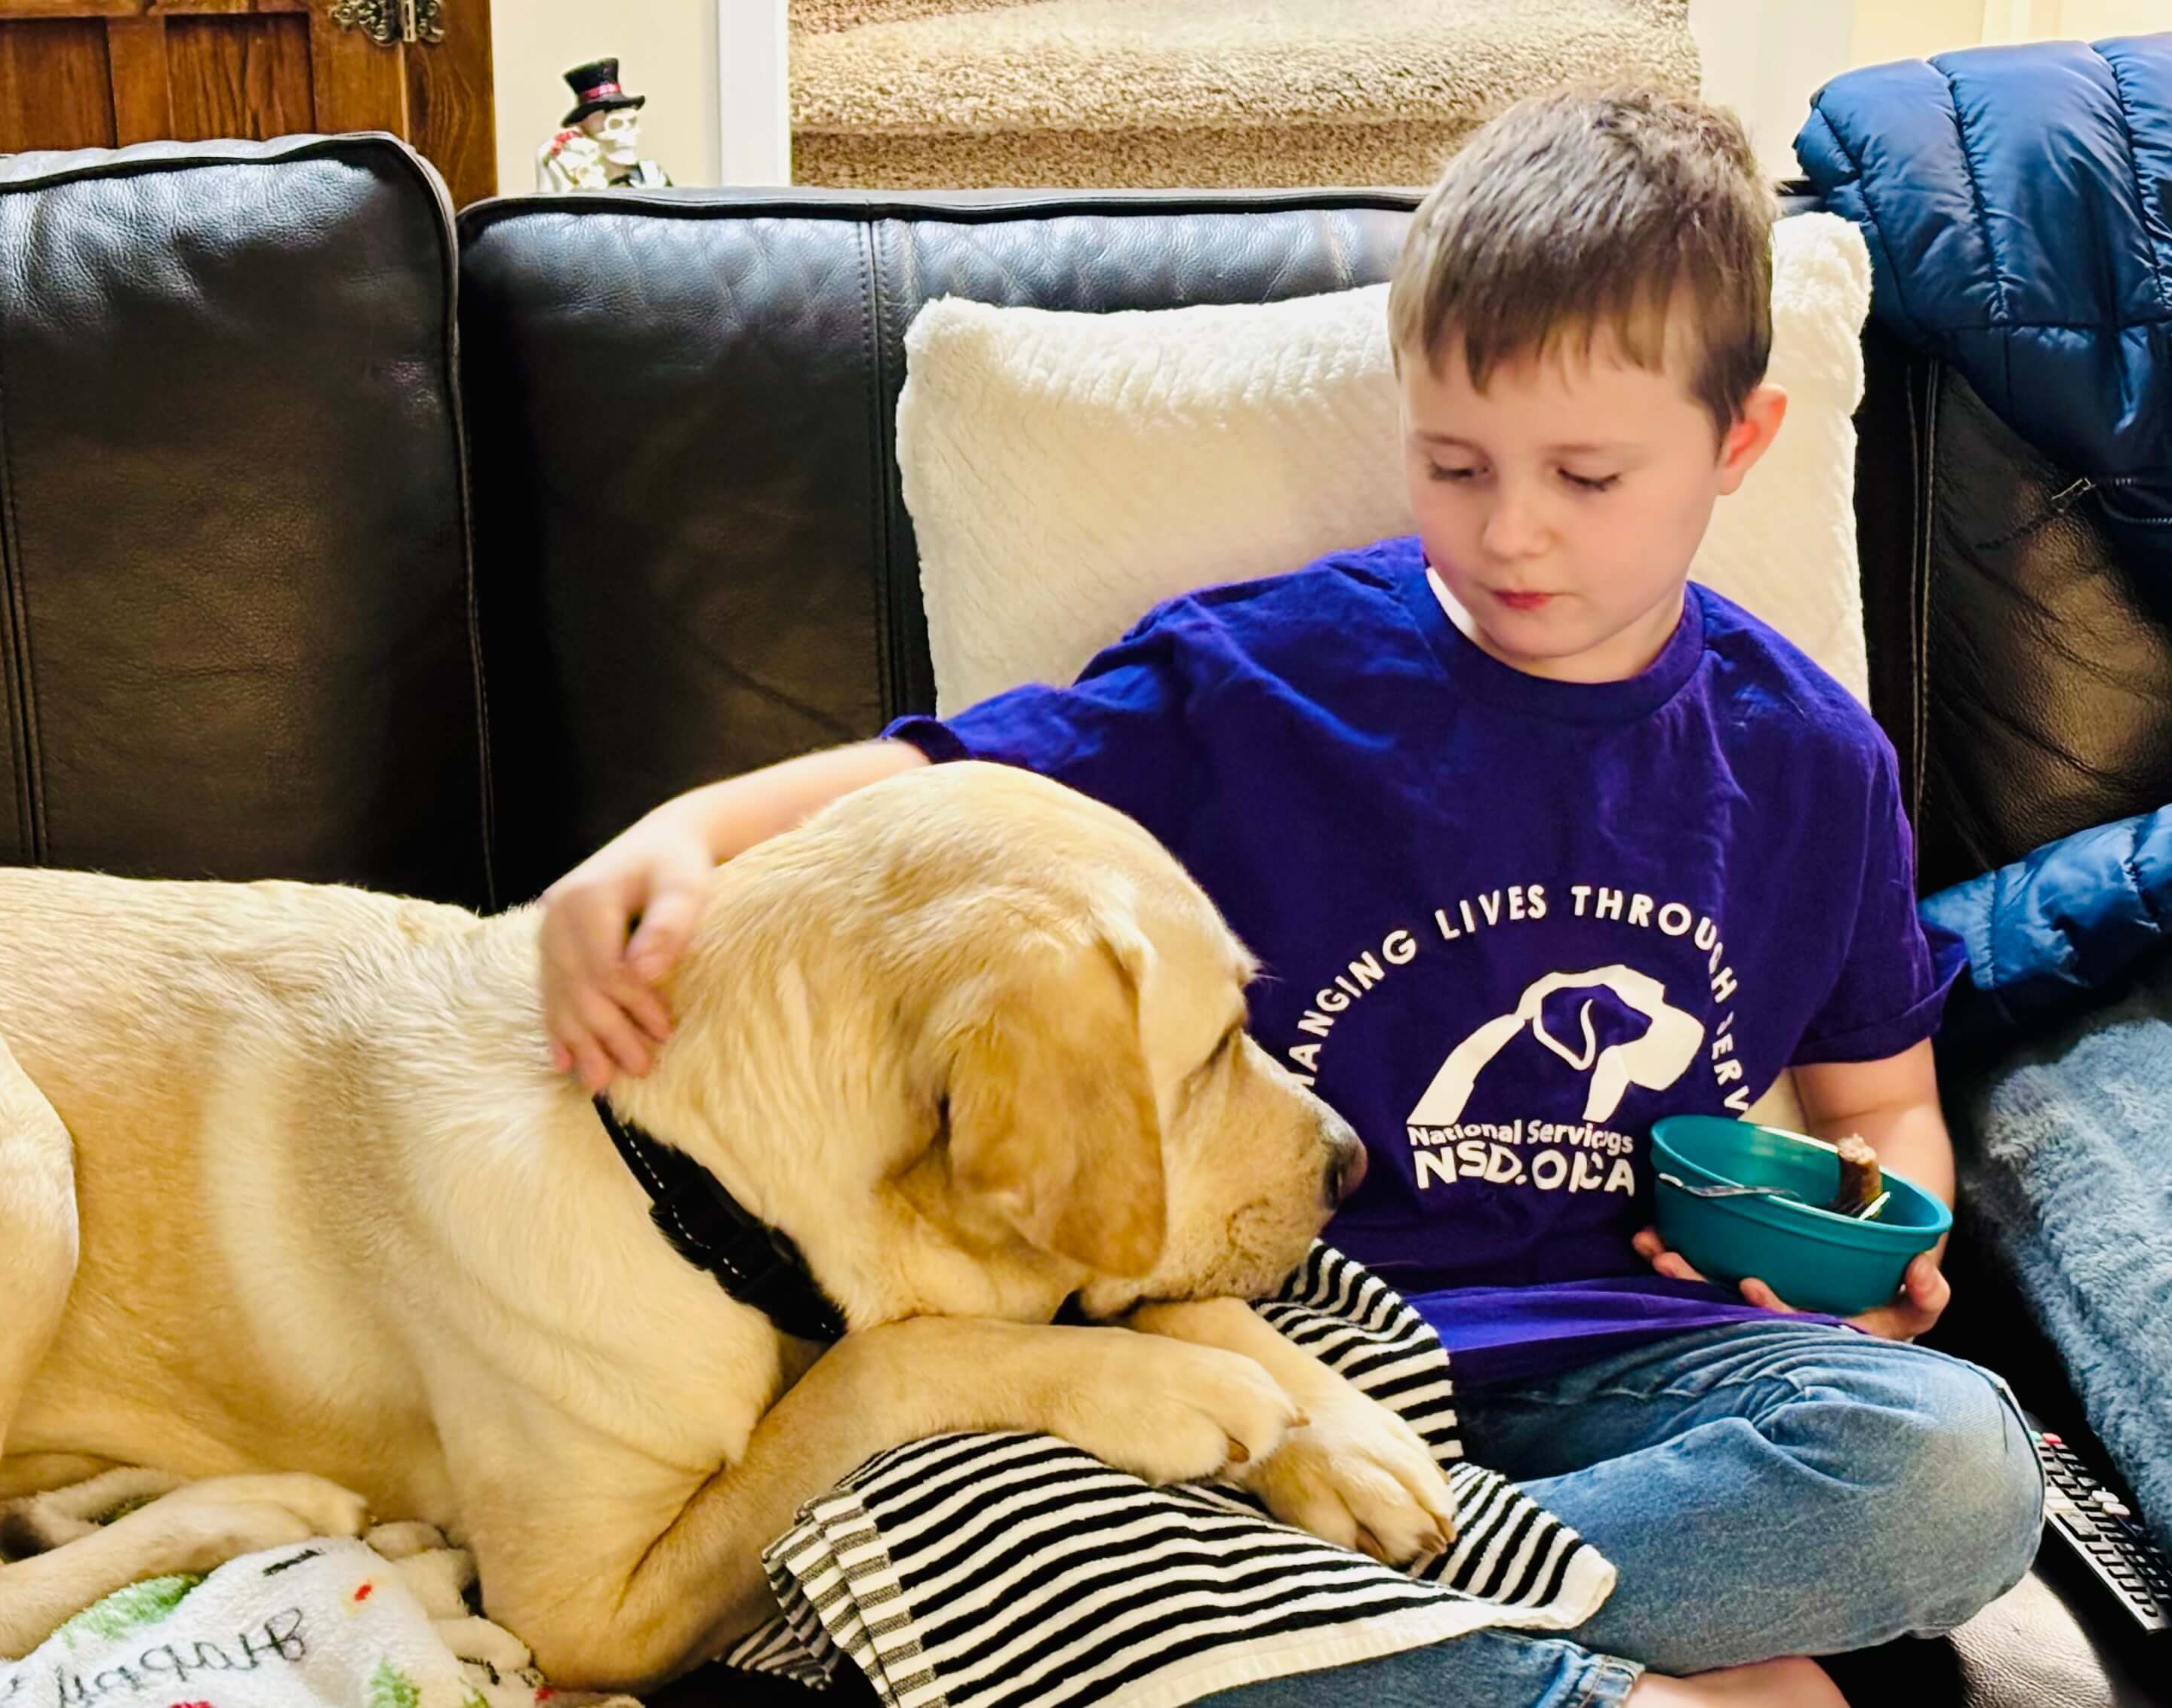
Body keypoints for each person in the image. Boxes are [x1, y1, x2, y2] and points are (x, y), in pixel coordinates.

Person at [537, 87, 2042, 1707]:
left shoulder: (1810, 760)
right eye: (1452, 461)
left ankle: (1342, 1635)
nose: (1508, 529)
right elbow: (936, 792)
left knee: (1958, 1463)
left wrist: (1881, 1259)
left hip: (1631, 1361)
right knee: (912, 1492)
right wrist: (675, 840)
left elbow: (1879, 1102)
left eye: (1585, 476)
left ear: (1737, 440)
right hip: (1270, 1351)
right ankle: (1629, 1683)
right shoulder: (1253, 684)